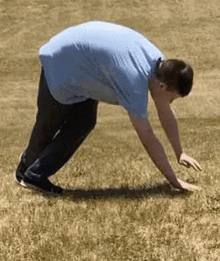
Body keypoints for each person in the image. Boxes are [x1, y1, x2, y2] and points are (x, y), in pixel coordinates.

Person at [14, 21, 202, 195]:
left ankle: (31, 173)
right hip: (61, 62)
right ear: (162, 87)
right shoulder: (134, 83)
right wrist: (174, 181)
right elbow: (148, 139)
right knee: (49, 123)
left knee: (83, 122)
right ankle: (30, 173)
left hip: (85, 67)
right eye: (172, 99)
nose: (169, 104)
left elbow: (165, 113)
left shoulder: (161, 65)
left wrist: (179, 152)